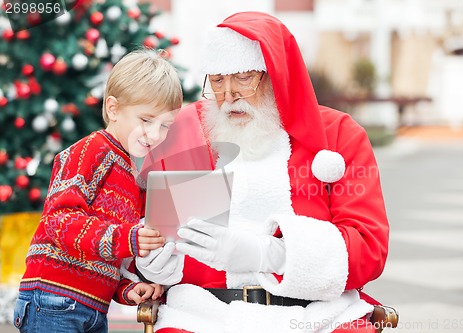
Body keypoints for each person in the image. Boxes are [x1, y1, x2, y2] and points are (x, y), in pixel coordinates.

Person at [136, 11, 390, 333]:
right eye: (217, 81)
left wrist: (266, 254)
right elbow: (142, 227)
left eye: (243, 78)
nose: (228, 97)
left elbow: (368, 249)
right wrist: (153, 263)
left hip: (318, 314)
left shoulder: (338, 134)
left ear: (277, 76)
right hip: (204, 314)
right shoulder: (185, 130)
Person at [12, 48, 184, 333]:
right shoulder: (91, 152)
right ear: (113, 108)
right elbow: (60, 222)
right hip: (54, 299)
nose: (155, 135)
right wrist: (128, 238)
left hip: (92, 308)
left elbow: (103, 254)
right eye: (146, 120)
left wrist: (126, 289)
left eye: (165, 125)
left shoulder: (132, 175)